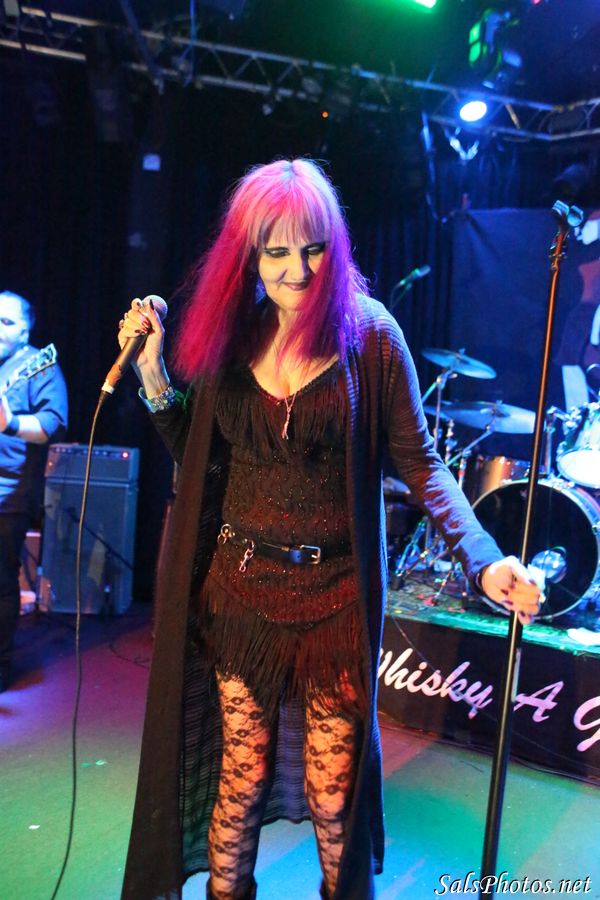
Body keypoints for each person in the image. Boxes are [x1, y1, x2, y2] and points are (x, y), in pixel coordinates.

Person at [119, 159, 542, 900]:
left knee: (333, 795)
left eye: (312, 249)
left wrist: (484, 559)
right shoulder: (231, 332)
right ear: (249, 254)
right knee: (240, 779)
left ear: (333, 246)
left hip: (336, 601)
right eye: (276, 251)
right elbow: (200, 454)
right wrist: (153, 374)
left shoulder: (370, 335)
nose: (296, 270)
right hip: (240, 595)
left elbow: (423, 465)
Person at [0, 290, 68, 692]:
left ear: (25, 332)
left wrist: (9, 423)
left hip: (8, 492)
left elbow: (50, 425)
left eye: (7, 322)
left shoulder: (38, 365)